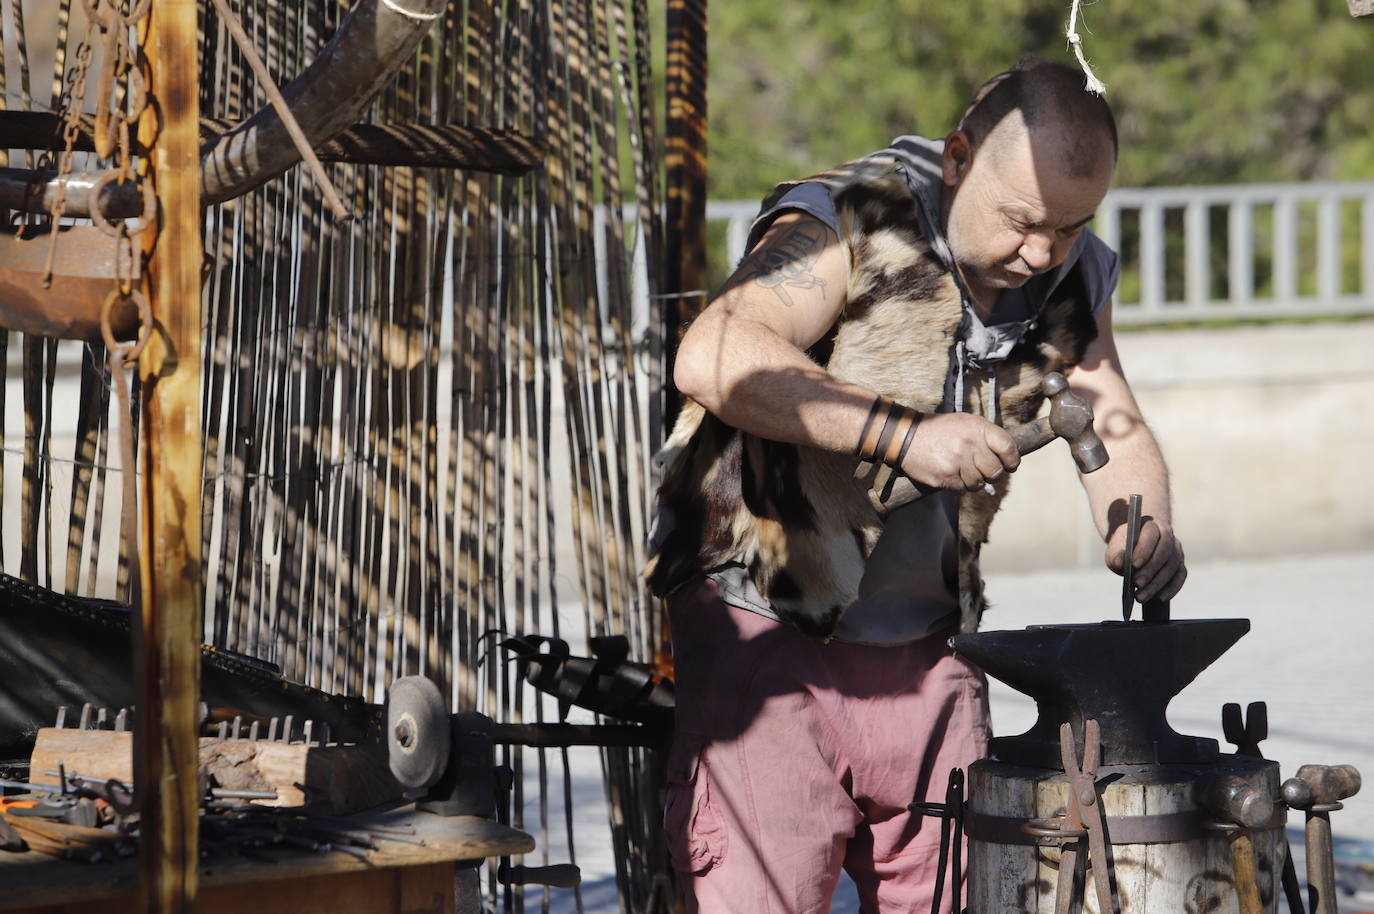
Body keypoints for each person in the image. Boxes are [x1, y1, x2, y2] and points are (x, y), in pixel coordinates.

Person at [645, 59, 1188, 913]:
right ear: (959, 157)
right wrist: (904, 436)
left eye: (1071, 226)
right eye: (1021, 219)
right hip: (769, 643)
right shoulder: (852, 220)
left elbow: (1109, 415)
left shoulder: (1069, 275)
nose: (1041, 250)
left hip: (936, 658)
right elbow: (714, 356)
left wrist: (1141, 528)